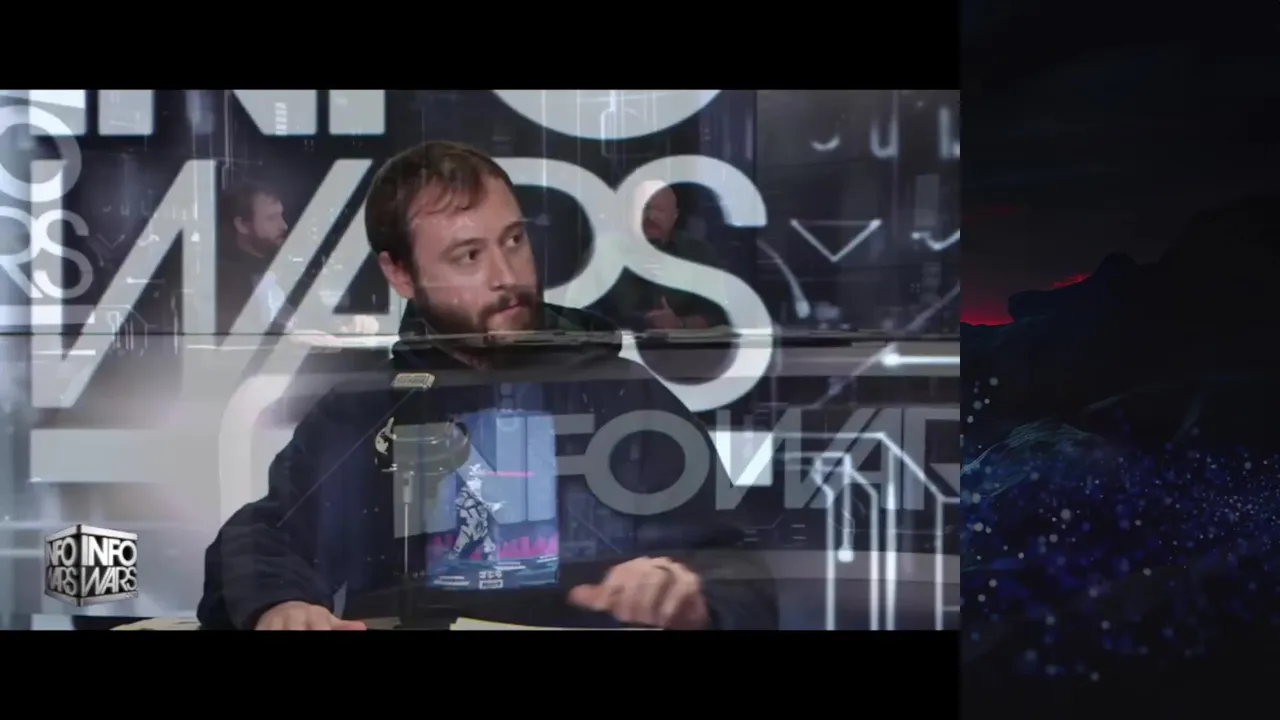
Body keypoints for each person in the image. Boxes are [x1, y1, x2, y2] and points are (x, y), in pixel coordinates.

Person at [198, 141, 777, 630]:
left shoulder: (617, 390)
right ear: (400, 273)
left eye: (514, 241)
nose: (506, 276)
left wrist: (690, 594)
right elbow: (262, 537)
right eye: (468, 255)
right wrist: (282, 605)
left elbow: (740, 569)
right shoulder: (370, 404)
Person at [598, 180, 729, 331]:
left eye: (660, 210)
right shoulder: (604, 252)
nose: (651, 216)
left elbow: (716, 314)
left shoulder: (699, 254)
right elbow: (582, 311)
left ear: (674, 216)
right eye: (644, 209)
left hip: (681, 344)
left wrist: (679, 324)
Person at [216, 181, 291, 336]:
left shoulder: (279, 271)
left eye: (281, 216)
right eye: (272, 218)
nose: (284, 225)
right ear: (242, 225)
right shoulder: (224, 280)